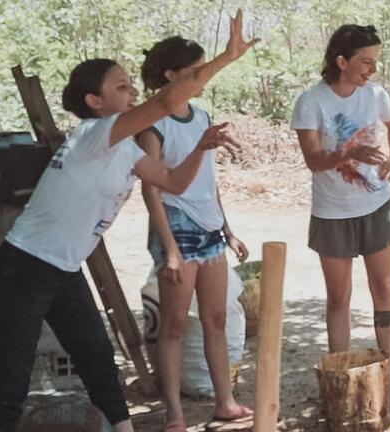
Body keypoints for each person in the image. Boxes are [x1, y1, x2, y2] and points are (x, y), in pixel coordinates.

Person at [0, 9, 258, 432]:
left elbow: (171, 182)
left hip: (62, 270)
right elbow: (167, 100)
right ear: (95, 102)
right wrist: (225, 59)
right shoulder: (96, 134)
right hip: (22, 268)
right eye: (122, 86)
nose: (132, 92)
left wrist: (202, 146)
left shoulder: (126, 148)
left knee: (97, 360)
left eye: (132, 84)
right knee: (8, 384)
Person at [290, 24, 390, 406]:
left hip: (376, 206)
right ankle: (340, 374)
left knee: (385, 288)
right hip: (333, 212)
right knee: (338, 298)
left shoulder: (375, 94)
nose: (371, 70)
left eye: (375, 62)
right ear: (340, 61)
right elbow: (313, 160)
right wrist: (349, 154)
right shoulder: (312, 102)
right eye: (365, 62)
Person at [138, 35, 253, 431]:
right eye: (194, 72)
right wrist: (169, 247)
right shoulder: (152, 123)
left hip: (208, 228)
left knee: (216, 318)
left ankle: (225, 401)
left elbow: (208, 181)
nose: (202, 78)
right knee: (173, 325)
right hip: (177, 226)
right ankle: (175, 413)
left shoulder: (202, 117)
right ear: (170, 75)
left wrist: (227, 229)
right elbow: (151, 186)